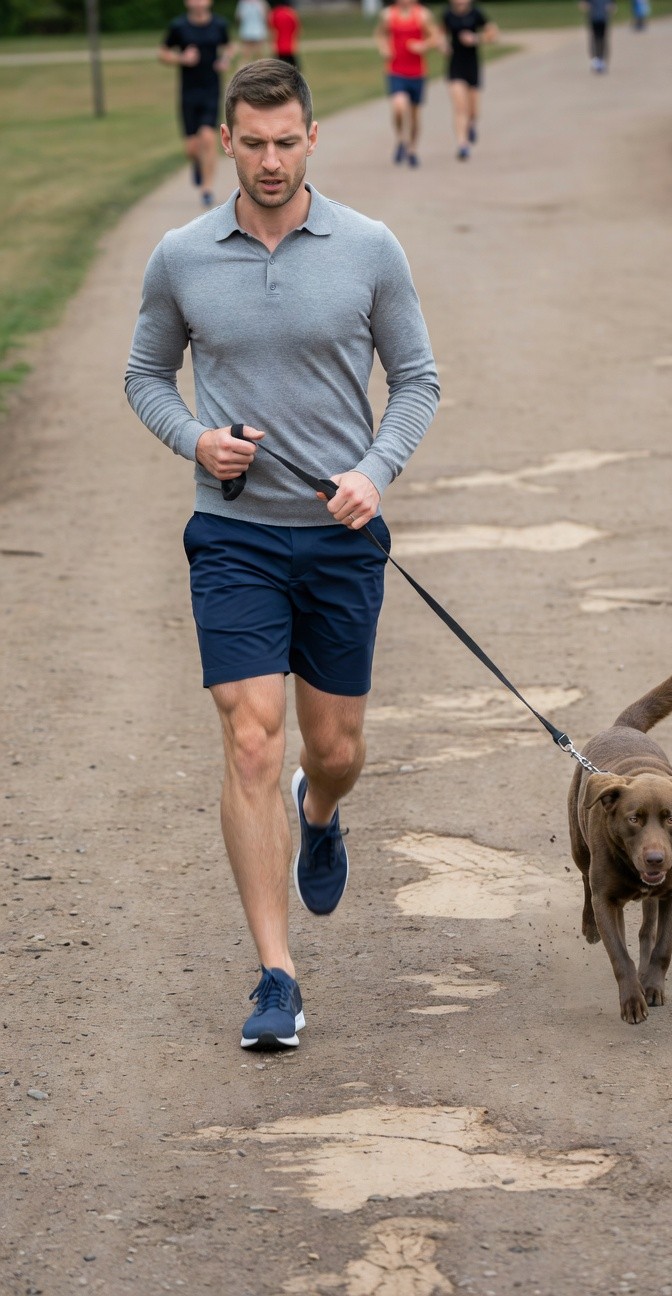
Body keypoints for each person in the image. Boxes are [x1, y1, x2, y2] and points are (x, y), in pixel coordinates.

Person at [125, 60, 440, 1052]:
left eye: (286, 141)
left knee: (334, 749)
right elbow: (145, 374)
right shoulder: (180, 256)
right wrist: (194, 440)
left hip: (341, 540)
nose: (270, 160)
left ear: (313, 139)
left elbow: (419, 380)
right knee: (251, 739)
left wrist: (375, 471)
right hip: (234, 536)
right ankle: (275, 975)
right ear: (226, 140)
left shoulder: (369, 248)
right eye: (252, 142)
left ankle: (323, 808)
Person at [160, 0, 234, 208]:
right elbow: (162, 53)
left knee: (208, 138)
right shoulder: (179, 26)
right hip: (188, 93)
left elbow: (228, 47)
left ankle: (207, 189)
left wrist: (225, 59)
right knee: (192, 148)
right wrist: (181, 58)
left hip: (211, 90)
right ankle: (197, 164)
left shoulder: (219, 25)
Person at [376, 0, 439, 167]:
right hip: (395, 70)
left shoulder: (423, 14)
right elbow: (380, 34)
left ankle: (412, 149)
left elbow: (435, 36)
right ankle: (400, 139)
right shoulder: (388, 15)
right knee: (398, 106)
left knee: (414, 114)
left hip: (417, 72)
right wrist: (384, 48)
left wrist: (423, 45)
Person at [440, 0, 498, 161]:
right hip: (455, 65)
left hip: (472, 65)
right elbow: (439, 34)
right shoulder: (447, 14)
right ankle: (462, 144)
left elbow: (493, 33)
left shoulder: (476, 13)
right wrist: (443, 45)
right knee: (460, 107)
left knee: (473, 111)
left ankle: (471, 125)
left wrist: (476, 38)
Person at [580, 0, 615, 74]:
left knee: (603, 39)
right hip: (594, 17)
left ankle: (601, 59)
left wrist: (611, 6)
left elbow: (612, 5)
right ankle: (595, 59)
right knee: (595, 38)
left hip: (603, 18)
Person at [269, 0, 301, 68]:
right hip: (290, 46)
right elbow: (297, 30)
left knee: (278, 68)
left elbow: (272, 31)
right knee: (295, 68)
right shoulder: (291, 13)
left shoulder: (275, 13)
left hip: (279, 46)